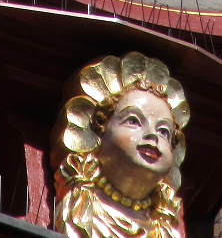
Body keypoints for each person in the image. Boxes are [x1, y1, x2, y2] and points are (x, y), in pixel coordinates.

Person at [51, 52, 189, 238]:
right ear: (100, 127)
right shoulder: (80, 207)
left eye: (164, 132)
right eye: (134, 121)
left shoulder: (165, 227)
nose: (152, 135)